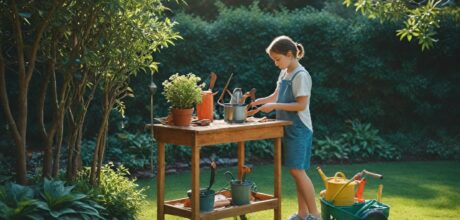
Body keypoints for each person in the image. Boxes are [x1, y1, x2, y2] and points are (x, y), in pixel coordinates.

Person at [251, 35, 320, 220]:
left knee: (297, 170)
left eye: (277, 59)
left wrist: (274, 107)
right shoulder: (285, 72)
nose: (276, 63)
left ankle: (315, 215)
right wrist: (261, 101)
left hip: (300, 129)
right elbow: (276, 95)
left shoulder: (301, 75)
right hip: (288, 128)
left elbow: (301, 105)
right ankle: (303, 214)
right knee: (296, 172)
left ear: (289, 54)